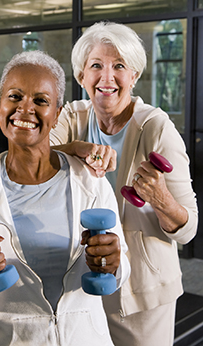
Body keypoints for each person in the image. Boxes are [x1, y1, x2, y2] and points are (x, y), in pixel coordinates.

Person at [0, 50, 130, 346]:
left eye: (40, 100)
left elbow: (120, 268)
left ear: (57, 113)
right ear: (0, 105)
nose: (25, 109)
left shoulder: (90, 180)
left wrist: (114, 264)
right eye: (14, 97)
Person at [50, 21, 198, 346]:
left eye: (119, 66)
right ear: (81, 76)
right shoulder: (73, 117)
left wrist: (160, 199)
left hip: (142, 295)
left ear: (134, 76)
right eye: (96, 66)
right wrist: (75, 148)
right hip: (80, 283)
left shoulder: (157, 129)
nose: (107, 78)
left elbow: (189, 228)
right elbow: (33, 157)